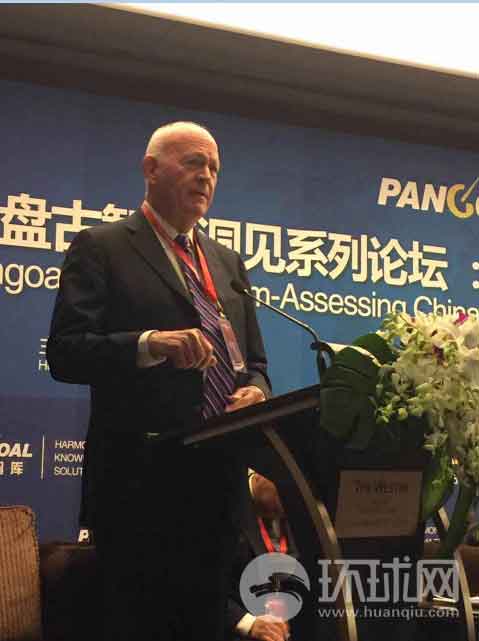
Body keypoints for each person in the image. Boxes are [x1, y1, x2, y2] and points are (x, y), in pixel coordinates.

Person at [47, 122, 271, 641]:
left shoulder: (226, 263)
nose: (206, 176)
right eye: (193, 162)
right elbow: (65, 352)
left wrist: (257, 390)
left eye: (213, 168)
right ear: (151, 169)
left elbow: (255, 361)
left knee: (207, 623)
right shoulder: (102, 246)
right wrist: (149, 343)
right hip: (138, 485)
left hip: (218, 484)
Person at [227, 472, 295, 641]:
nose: (283, 511)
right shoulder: (225, 498)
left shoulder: (287, 507)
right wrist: (248, 623)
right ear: (260, 476)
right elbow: (200, 579)